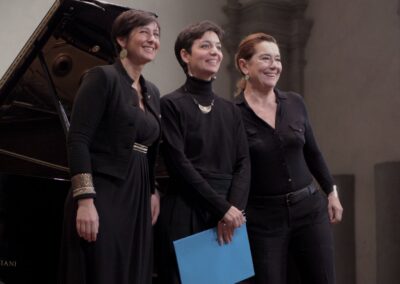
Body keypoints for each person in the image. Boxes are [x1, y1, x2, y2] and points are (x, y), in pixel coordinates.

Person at [58, 9, 161, 284]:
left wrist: (153, 191)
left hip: (138, 197)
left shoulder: (153, 91)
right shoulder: (101, 77)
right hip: (104, 193)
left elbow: (149, 150)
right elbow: (78, 139)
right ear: (121, 40)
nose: (152, 39)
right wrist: (85, 200)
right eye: (144, 32)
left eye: (156, 34)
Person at [234, 33, 343, 284]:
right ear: (244, 65)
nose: (274, 65)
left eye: (278, 59)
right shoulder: (233, 114)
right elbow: (235, 168)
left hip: (309, 210)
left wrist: (331, 191)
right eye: (265, 58)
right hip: (263, 219)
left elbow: (313, 152)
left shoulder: (295, 102)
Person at [157, 21, 250, 283]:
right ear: (185, 55)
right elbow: (178, 163)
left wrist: (233, 210)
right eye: (205, 45)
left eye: (218, 47)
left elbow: (243, 162)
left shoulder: (231, 110)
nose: (215, 52)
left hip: (229, 214)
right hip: (186, 208)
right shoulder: (171, 104)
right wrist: (222, 208)